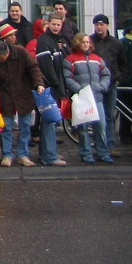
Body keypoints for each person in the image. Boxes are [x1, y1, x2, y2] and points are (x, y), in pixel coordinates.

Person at [0, 38, 46, 167]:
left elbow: (34, 68)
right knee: (6, 127)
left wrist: (39, 84)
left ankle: (23, 155)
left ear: (7, 52)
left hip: (23, 93)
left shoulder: (21, 52)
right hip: (4, 95)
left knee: (25, 126)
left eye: (1, 57)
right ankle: (7, 154)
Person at [64, 32, 114, 164]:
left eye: (88, 42)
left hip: (97, 97)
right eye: (84, 42)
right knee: (83, 128)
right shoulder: (70, 59)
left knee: (101, 126)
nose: (86, 44)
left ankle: (103, 152)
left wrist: (101, 86)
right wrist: (80, 90)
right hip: (82, 99)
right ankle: (86, 153)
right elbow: (68, 78)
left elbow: (105, 75)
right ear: (77, 43)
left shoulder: (97, 58)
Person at [32, 12, 68, 166]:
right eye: (53, 24)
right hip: (49, 88)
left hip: (55, 86)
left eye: (58, 25)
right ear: (48, 23)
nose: (56, 27)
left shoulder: (56, 40)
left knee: (51, 122)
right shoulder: (44, 41)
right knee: (49, 121)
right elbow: (47, 68)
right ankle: (48, 156)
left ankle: (49, 152)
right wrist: (57, 85)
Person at [89, 13, 127, 156]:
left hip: (111, 84)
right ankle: (98, 145)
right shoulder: (90, 41)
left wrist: (118, 78)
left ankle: (109, 144)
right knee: (96, 116)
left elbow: (124, 65)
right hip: (94, 84)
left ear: (107, 25)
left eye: (101, 24)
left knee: (109, 116)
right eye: (96, 24)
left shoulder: (116, 43)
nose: (99, 27)